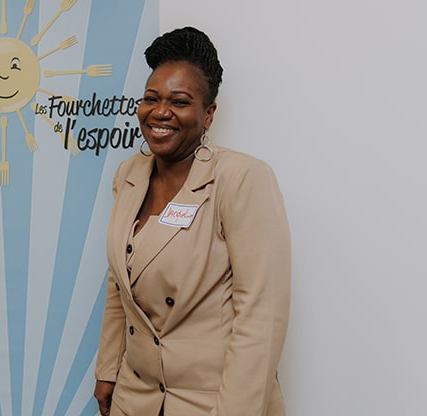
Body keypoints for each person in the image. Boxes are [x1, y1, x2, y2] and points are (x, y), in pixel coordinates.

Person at [93, 27, 290, 416]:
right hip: (137, 398)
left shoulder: (240, 178)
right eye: (151, 98)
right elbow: (120, 285)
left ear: (208, 113)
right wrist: (108, 370)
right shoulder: (128, 175)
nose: (160, 112)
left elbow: (261, 313)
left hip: (213, 400)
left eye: (179, 101)